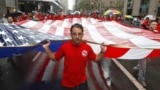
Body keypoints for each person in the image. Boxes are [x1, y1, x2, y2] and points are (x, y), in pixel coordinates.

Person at [42, 23, 106, 90]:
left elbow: (96, 58)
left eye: (79, 34)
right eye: (74, 34)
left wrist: (102, 51)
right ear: (71, 35)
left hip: (82, 84)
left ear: (82, 35)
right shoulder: (65, 47)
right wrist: (46, 48)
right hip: (68, 85)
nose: (77, 36)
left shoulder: (87, 47)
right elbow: (54, 58)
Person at [133, 20, 158, 87]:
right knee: (143, 65)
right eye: (153, 24)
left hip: (148, 52)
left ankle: (136, 68)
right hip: (142, 51)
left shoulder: (156, 33)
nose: (155, 26)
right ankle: (141, 79)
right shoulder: (144, 32)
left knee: (147, 61)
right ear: (149, 25)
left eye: (156, 24)